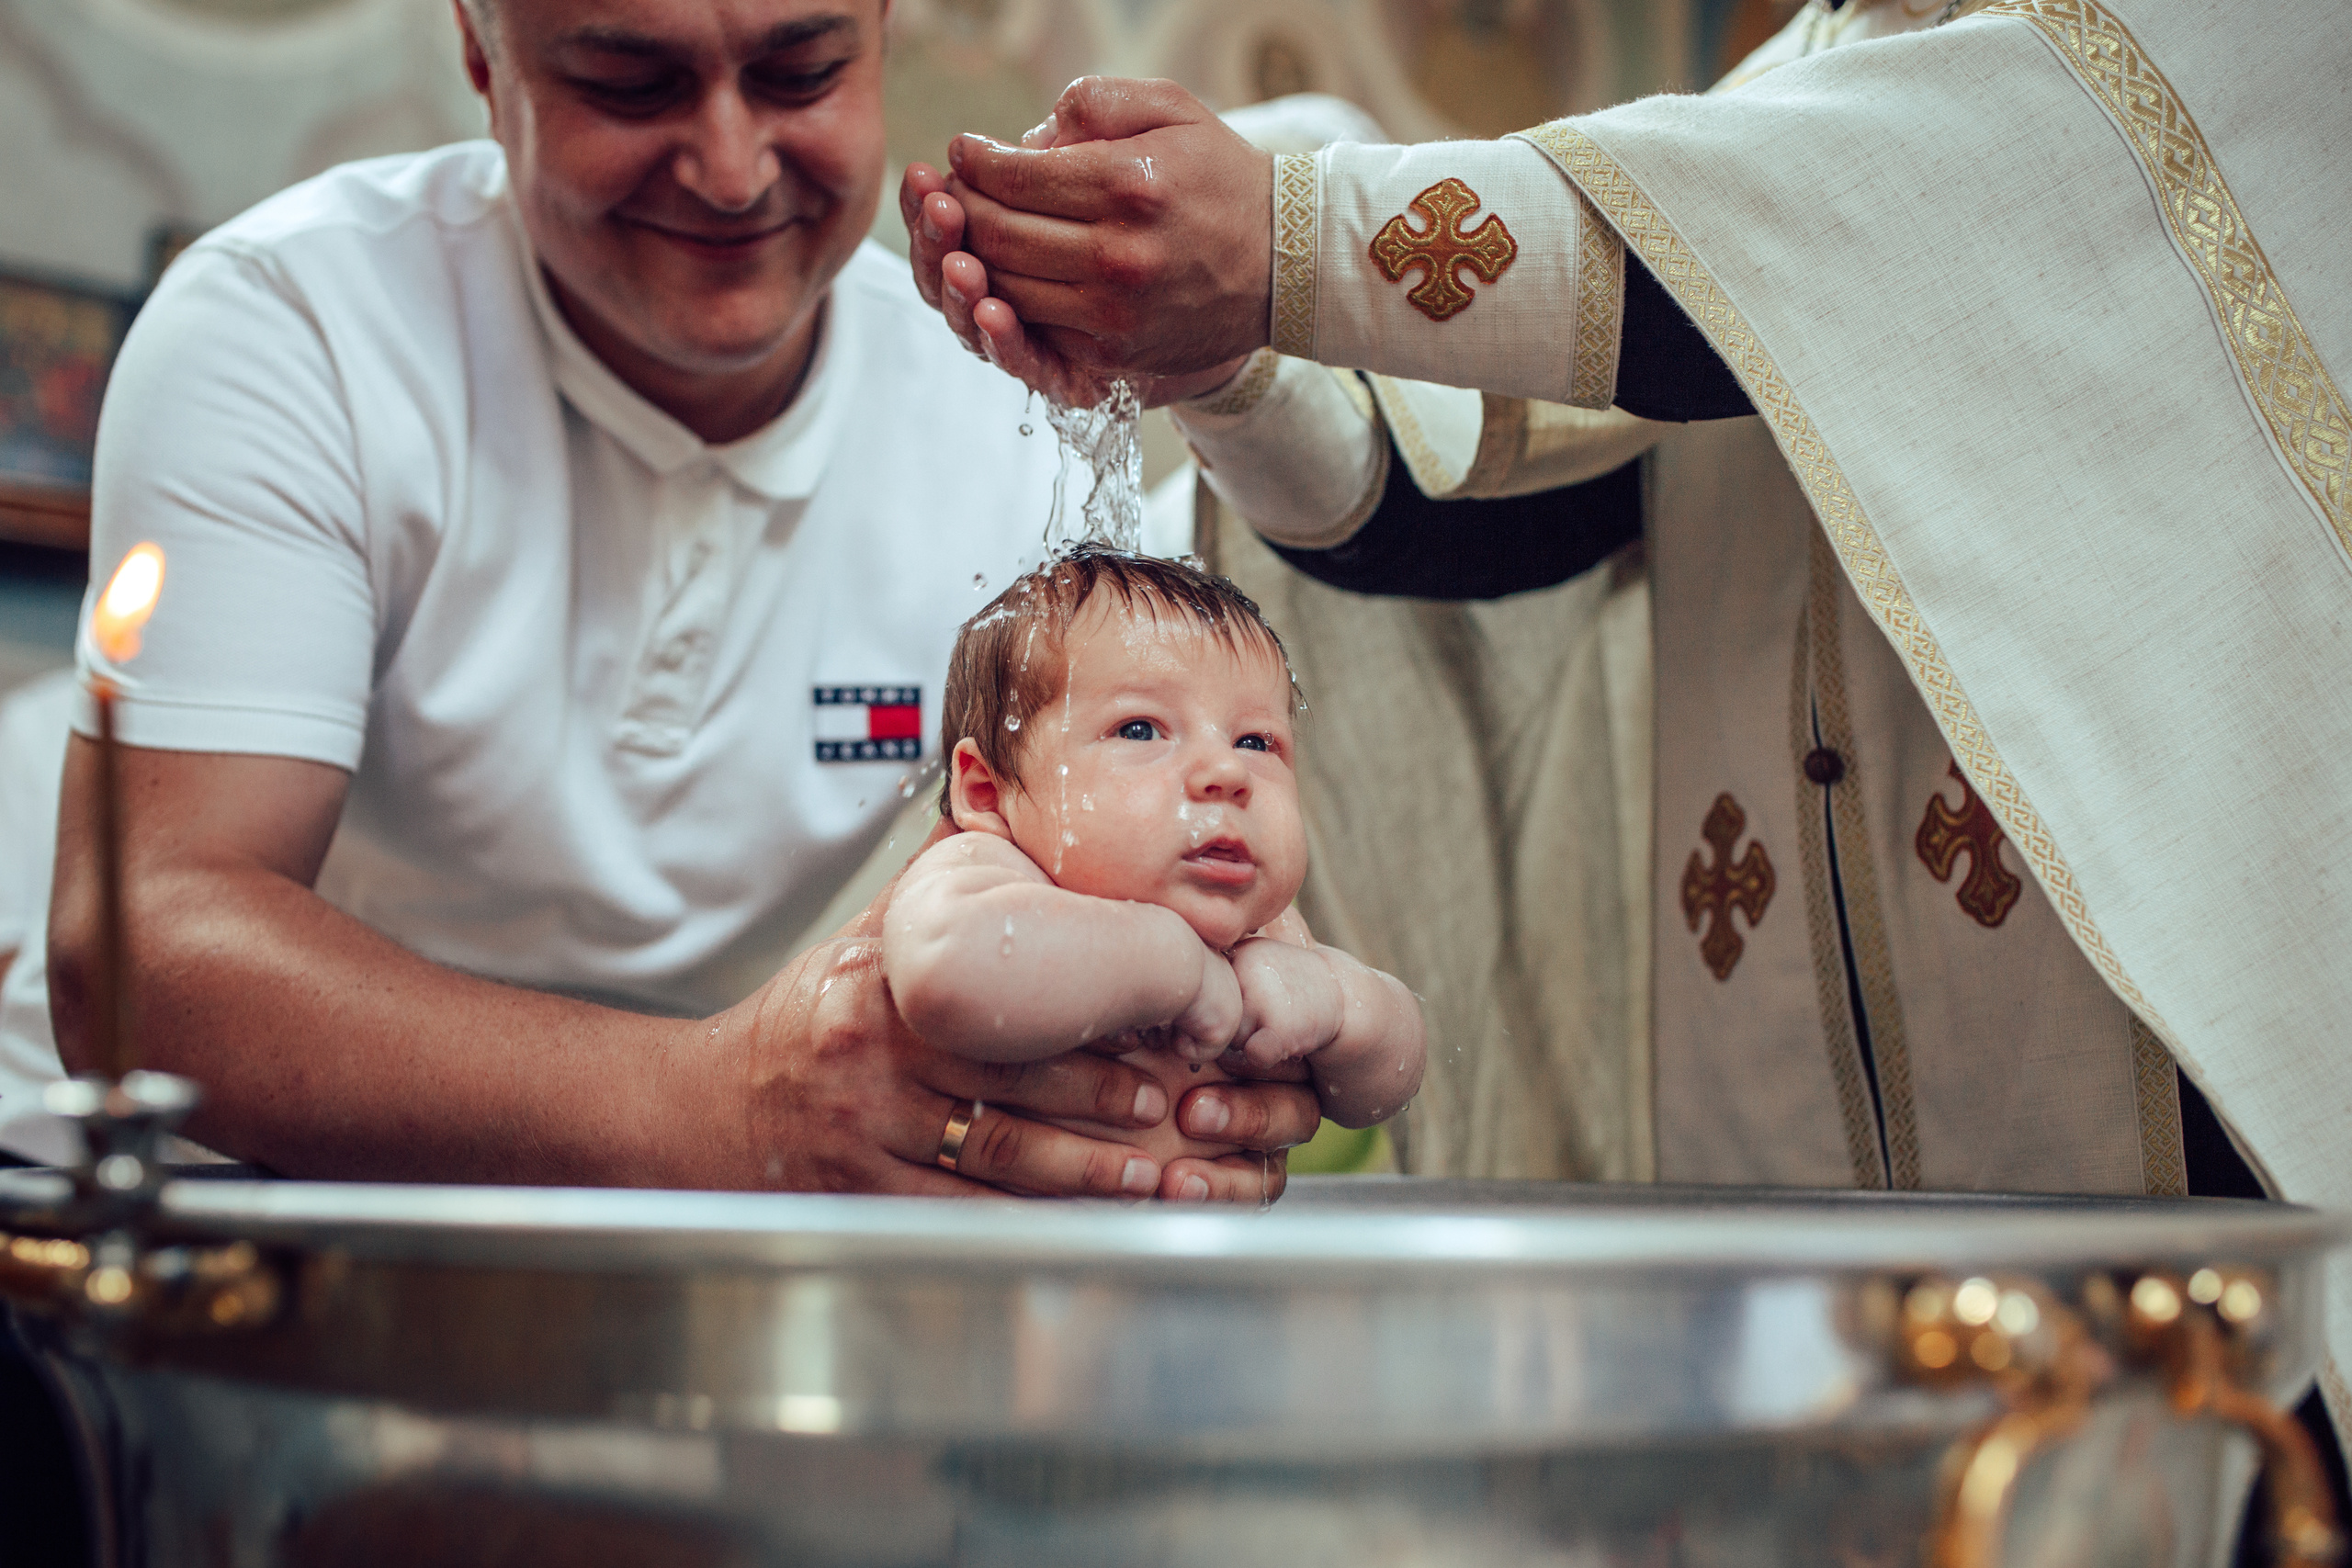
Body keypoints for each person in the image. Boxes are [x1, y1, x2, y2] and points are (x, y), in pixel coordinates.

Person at [901, 0, 2352, 1456]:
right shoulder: (1783, 91)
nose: (1217, 770)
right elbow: (1450, 501)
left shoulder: (2239, 36)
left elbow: (1880, 237)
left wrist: (1279, 242)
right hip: (1785, 1144)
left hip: (2167, 1144)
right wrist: (1221, 355)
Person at [6, 0, 1348, 1203]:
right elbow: (143, 958)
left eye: (800, 69)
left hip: (742, 1237)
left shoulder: (1005, 414)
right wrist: (721, 1102)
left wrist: (1223, 1059)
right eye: (629, 80)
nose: (729, 166)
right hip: (223, 1221)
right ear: (482, 54)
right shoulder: (294, 328)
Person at [882, 547, 1425, 1182]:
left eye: (1255, 741)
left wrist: (1339, 1005)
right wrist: (1174, 963)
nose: (1226, 771)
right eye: (1141, 730)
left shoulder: (1265, 930)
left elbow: (1388, 1087)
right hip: (994, 1277)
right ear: (988, 792)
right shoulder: (992, 869)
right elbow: (942, 970)